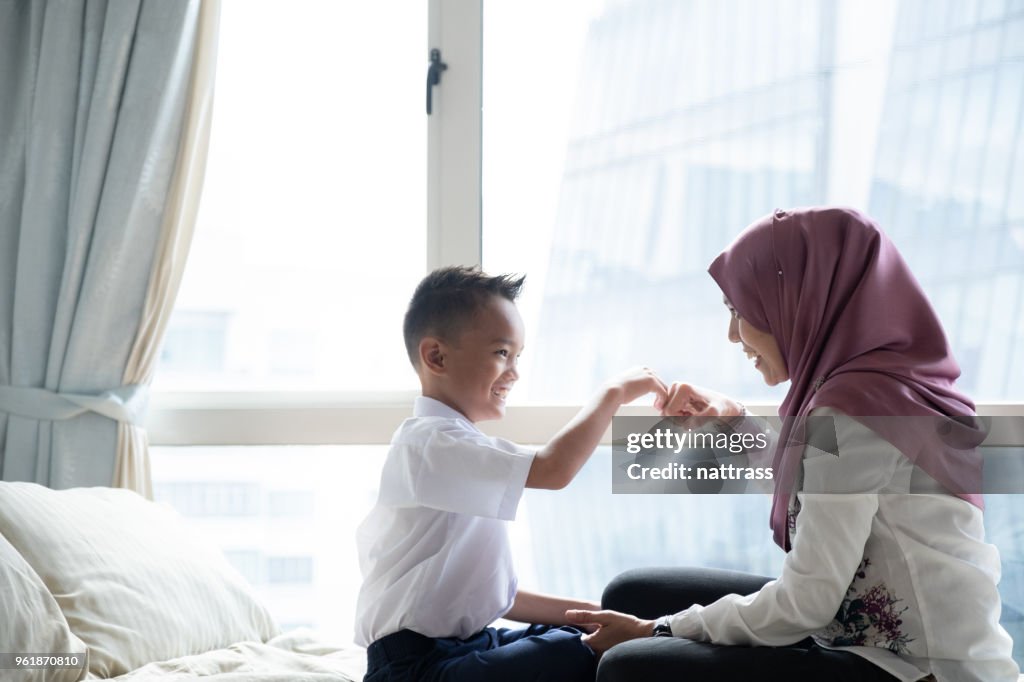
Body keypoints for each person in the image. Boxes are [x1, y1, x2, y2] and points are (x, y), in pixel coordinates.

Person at [566, 207, 1020, 681]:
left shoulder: (852, 410)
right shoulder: (868, 386)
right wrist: (733, 421)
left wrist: (657, 631)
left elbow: (806, 601)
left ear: (797, 300)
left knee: (631, 665)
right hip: (854, 630)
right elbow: (818, 487)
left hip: (918, 670)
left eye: (740, 311)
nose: (732, 334)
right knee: (632, 592)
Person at [355, 265, 667, 682]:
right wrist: (613, 394)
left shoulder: (456, 452)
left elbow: (499, 599)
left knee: (593, 637)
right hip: (416, 667)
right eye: (502, 353)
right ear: (437, 356)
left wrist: (593, 615)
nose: (515, 372)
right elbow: (553, 469)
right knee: (581, 653)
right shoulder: (431, 443)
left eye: (517, 356)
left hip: (466, 646)